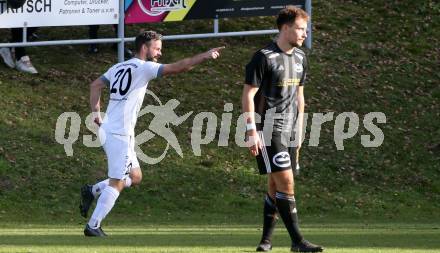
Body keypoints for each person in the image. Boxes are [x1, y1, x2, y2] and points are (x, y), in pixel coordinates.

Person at [79, 30, 224, 236]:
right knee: (117, 182)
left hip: (113, 130)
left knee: (135, 176)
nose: (159, 53)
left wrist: (96, 113)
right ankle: (93, 226)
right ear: (144, 47)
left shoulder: (119, 66)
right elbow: (179, 67)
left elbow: (95, 85)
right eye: (157, 48)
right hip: (119, 133)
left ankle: (92, 190)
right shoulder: (144, 67)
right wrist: (205, 55)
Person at [241, 6, 324, 252]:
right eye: (300, 28)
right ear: (285, 27)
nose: (304, 34)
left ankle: (265, 241)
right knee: (286, 183)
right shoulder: (263, 57)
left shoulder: (300, 58)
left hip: (290, 130)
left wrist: (299, 132)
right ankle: (298, 241)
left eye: (305, 29)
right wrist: (251, 131)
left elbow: (300, 98)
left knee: (275, 186)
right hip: (268, 128)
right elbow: (248, 95)